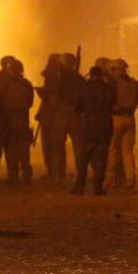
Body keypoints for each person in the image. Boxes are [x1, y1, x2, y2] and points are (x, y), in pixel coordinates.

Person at [72, 66, 116, 195]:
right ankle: (97, 187)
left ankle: (80, 187)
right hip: (104, 126)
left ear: (90, 74)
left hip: (87, 126)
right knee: (101, 158)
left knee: (84, 158)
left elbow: (77, 108)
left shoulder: (83, 89)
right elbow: (113, 104)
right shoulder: (108, 89)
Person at [105, 59, 138, 189]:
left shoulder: (111, 84)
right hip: (130, 119)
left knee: (113, 150)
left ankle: (111, 179)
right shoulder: (134, 83)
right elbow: (137, 100)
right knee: (128, 151)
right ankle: (130, 179)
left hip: (116, 119)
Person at [50, 53, 85, 183]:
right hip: (74, 114)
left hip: (62, 113)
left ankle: (59, 174)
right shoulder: (79, 78)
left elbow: (53, 95)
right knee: (78, 146)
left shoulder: (58, 77)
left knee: (58, 145)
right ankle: (81, 172)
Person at [0, 59, 35, 184]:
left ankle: (14, 176)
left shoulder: (6, 84)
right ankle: (26, 175)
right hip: (21, 121)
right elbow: (29, 102)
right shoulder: (26, 84)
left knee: (11, 150)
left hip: (10, 121)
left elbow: (1, 102)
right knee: (23, 151)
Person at [35, 54, 62, 181]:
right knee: (57, 144)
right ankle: (58, 171)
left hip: (50, 115)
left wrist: (42, 93)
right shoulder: (62, 76)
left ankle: (53, 171)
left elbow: (51, 97)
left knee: (49, 144)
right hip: (57, 114)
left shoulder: (51, 77)